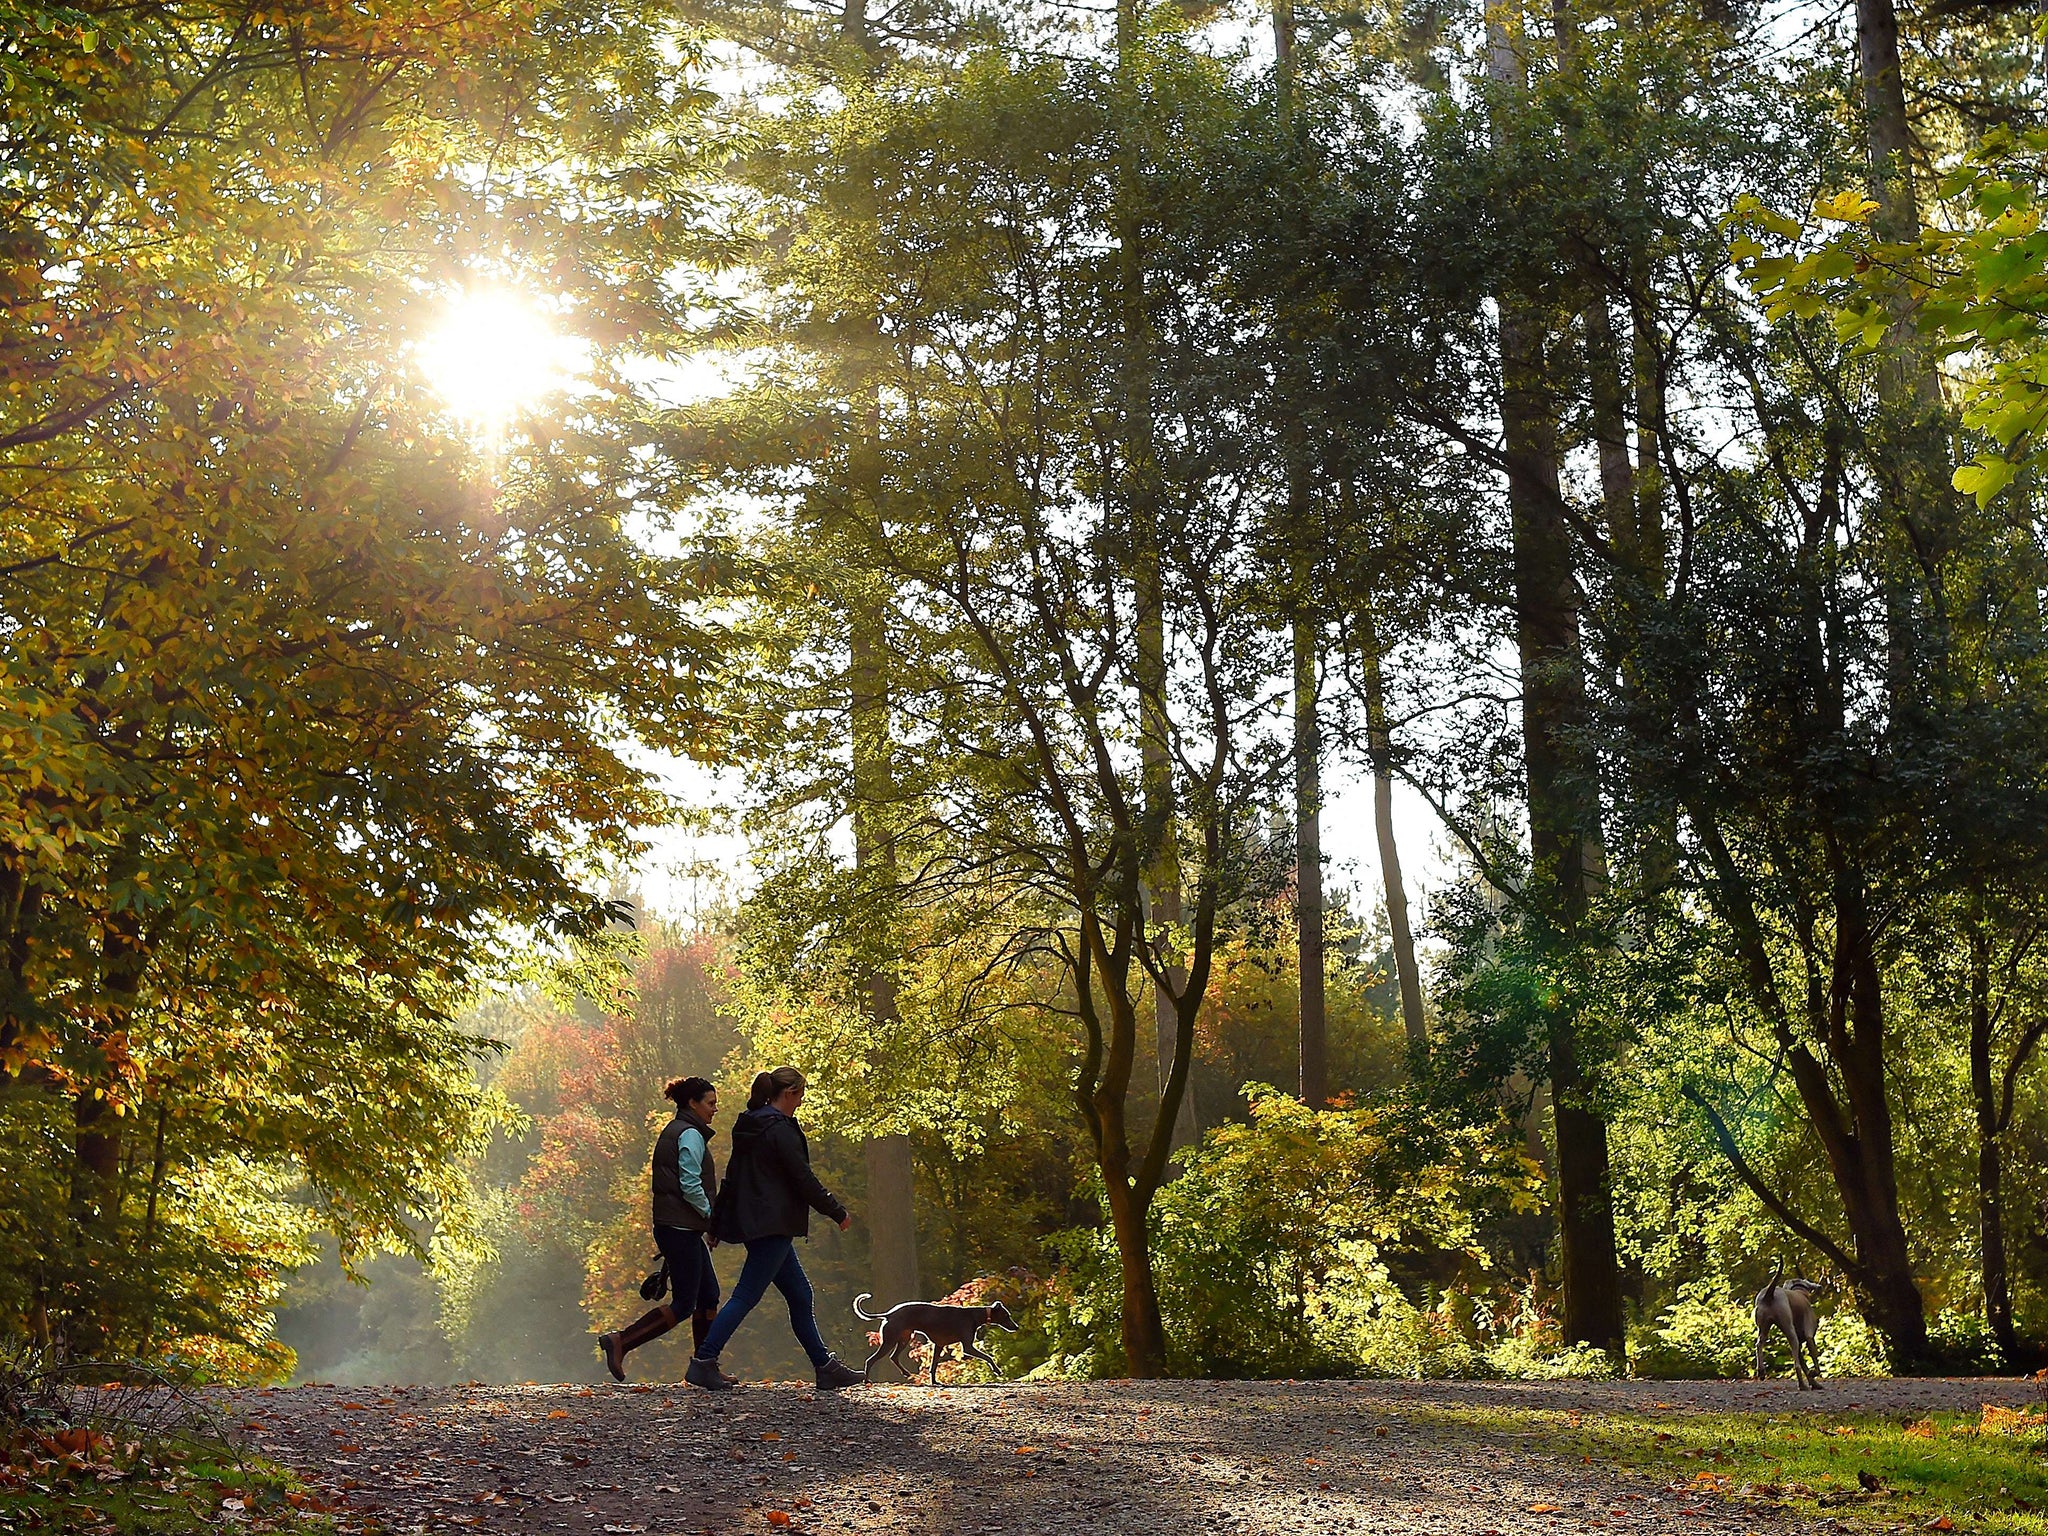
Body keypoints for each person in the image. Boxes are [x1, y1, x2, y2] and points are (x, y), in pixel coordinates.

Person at [685, 1066, 865, 1391]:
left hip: (758, 1222)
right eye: (801, 1095)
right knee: (745, 1295)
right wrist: (835, 1211)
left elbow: (732, 1177)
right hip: (774, 1222)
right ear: (789, 1093)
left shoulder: (751, 1126)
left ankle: (824, 1366)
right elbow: (802, 1178)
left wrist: (717, 1222)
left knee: (800, 1293)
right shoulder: (779, 1129)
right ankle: (704, 1361)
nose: (801, 1101)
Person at [597, 1076, 730, 1382]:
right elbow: (690, 1185)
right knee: (685, 1303)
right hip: (680, 1228)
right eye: (710, 1103)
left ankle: (704, 1365)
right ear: (692, 1104)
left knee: (708, 1294)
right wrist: (711, 1217)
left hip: (678, 1226)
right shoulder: (691, 1135)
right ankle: (622, 1341)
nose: (715, 1109)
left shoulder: (678, 1131)